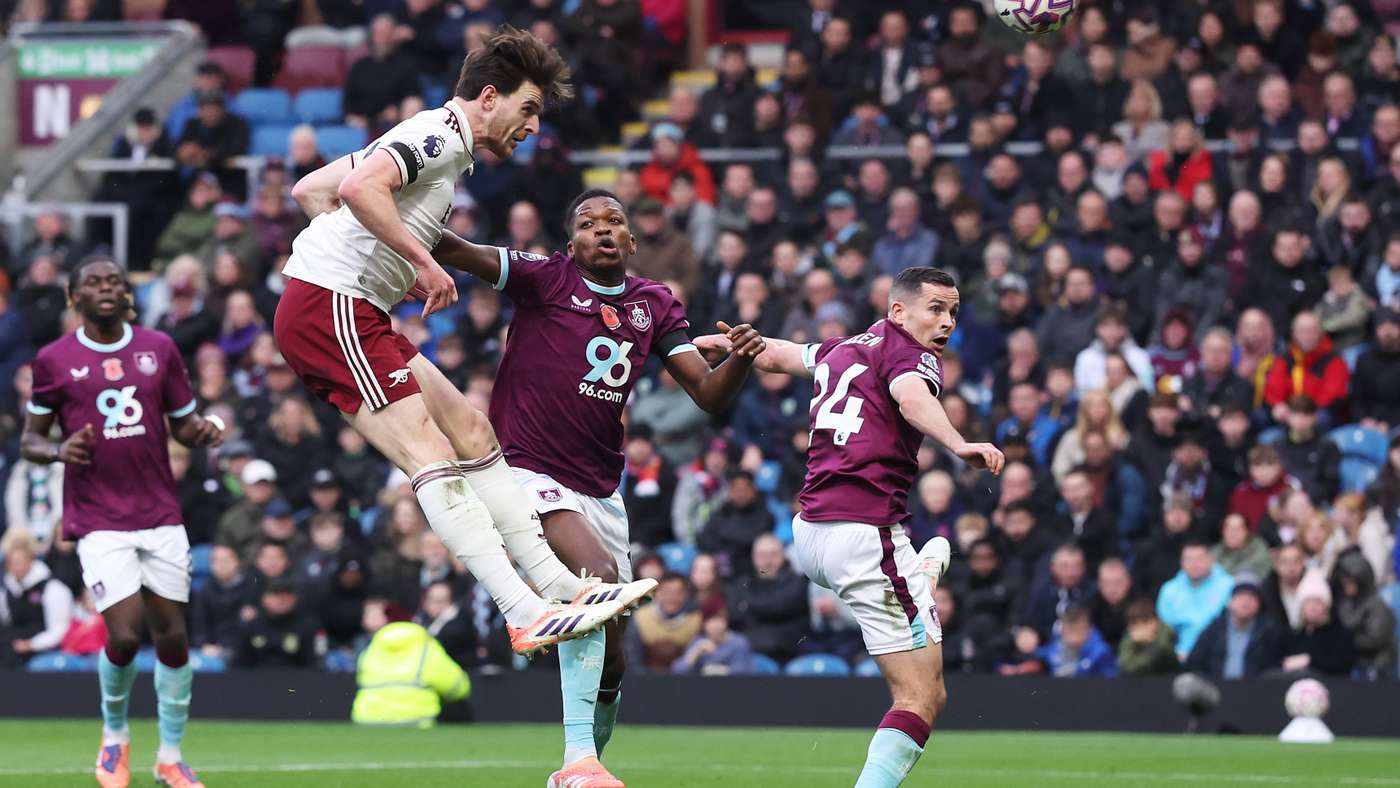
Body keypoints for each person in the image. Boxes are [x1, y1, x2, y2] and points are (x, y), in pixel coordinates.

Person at [275, 27, 650, 667]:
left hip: (351, 307)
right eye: (527, 108)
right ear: (488, 97)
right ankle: (522, 611)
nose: (532, 125)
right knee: (431, 453)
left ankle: (558, 587)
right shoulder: (441, 136)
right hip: (330, 307)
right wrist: (418, 261)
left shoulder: (433, 143)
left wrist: (358, 256)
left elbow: (311, 190)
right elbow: (356, 191)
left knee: (473, 431)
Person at [430, 188, 762, 786]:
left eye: (615, 222)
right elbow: (457, 248)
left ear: (633, 241)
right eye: (588, 223)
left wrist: (739, 356)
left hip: (601, 489)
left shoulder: (653, 304)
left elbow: (709, 395)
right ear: (571, 242)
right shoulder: (543, 278)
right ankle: (576, 762)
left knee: (612, 657)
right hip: (526, 469)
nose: (603, 231)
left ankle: (588, 765)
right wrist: (405, 216)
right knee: (598, 578)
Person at [702, 266, 1004, 788]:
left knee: (909, 626)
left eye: (953, 311)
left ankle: (917, 579)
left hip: (810, 536)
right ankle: (919, 582)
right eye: (935, 308)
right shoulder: (912, 357)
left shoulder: (838, 349)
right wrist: (958, 444)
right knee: (923, 697)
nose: (947, 321)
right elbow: (912, 397)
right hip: (865, 537)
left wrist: (726, 345)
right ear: (898, 311)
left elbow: (775, 354)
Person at [19, 256, 226, 788]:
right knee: (127, 634)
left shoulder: (158, 349)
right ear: (74, 298)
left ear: (125, 294)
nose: (106, 288)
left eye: (114, 281)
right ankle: (114, 739)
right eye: (94, 283)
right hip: (98, 517)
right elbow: (29, 441)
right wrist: (59, 449)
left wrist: (201, 433)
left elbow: (183, 426)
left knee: (175, 639)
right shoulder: (54, 360)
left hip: (158, 512)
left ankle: (171, 756)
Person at [351, 603, 471, 728]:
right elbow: (458, 687)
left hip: (367, 721)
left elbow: (360, 679)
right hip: (415, 721)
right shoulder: (426, 647)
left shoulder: (371, 648)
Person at [1184, 576, 1283, 678]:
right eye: (1240, 597)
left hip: (1257, 688)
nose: (1245, 602)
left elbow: (1278, 664)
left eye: (1251, 597)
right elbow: (1194, 662)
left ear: (1258, 604)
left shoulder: (1268, 631)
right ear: (1230, 602)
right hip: (1217, 687)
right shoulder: (1215, 629)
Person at [1156, 540, 1235, 660]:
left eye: (1199, 559)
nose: (1194, 564)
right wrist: (1173, 655)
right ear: (1181, 563)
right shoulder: (1169, 590)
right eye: (1188, 559)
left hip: (1220, 655)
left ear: (1211, 560)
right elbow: (1163, 631)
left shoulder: (1229, 586)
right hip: (1180, 657)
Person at [1034, 606, 1118, 677]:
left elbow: (1110, 682)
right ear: (1062, 630)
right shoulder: (1053, 649)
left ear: (1089, 630)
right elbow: (1041, 655)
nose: (1074, 637)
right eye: (1070, 631)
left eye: (1079, 631)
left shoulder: (1102, 652)